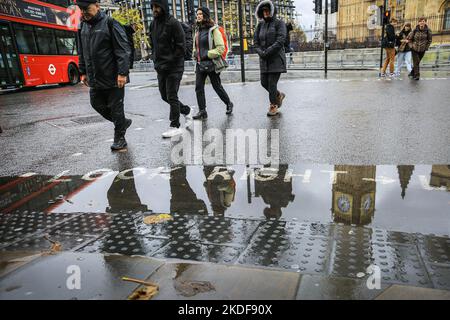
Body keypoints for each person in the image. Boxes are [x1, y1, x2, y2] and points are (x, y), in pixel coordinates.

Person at [77, 0, 132, 151]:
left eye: (86, 9)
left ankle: (120, 139)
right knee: (96, 104)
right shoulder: (82, 26)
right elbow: (82, 52)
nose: (83, 13)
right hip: (94, 78)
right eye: (81, 10)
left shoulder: (110, 23)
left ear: (97, 6)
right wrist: (82, 72)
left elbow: (123, 50)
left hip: (113, 77)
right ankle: (122, 122)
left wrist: (122, 73)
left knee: (116, 108)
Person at [149, 0, 193, 138]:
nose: (154, 9)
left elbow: (181, 46)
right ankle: (186, 110)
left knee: (172, 95)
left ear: (163, 7)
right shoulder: (153, 24)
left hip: (174, 66)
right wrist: (156, 61)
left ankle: (175, 125)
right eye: (153, 7)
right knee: (164, 95)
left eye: (157, 6)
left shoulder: (173, 23)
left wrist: (171, 60)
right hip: (161, 67)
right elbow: (153, 44)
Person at [192, 7, 234, 120]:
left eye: (200, 14)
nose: (198, 16)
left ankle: (229, 103)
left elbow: (220, 48)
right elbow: (196, 47)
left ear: (205, 15)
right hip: (200, 64)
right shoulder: (197, 30)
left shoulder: (213, 30)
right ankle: (202, 111)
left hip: (211, 63)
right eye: (197, 14)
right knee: (198, 87)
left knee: (217, 86)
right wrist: (194, 53)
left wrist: (207, 54)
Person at [254, 0, 287, 117]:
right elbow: (255, 42)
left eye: (268, 10)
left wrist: (267, 51)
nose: (266, 13)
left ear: (272, 11)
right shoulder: (260, 25)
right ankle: (278, 95)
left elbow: (280, 40)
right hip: (264, 60)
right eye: (263, 11)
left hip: (276, 59)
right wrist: (261, 52)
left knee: (272, 84)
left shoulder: (279, 23)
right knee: (264, 83)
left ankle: (273, 106)